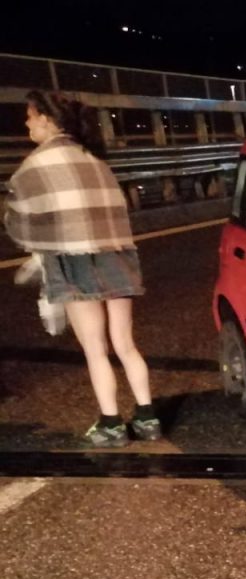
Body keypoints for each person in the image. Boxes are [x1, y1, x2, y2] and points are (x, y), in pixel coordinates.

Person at [4, 90, 159, 447]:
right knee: (125, 343)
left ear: (45, 118)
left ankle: (111, 424)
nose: (26, 123)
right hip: (116, 254)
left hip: (72, 259)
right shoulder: (96, 159)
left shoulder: (37, 164)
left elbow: (19, 219)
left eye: (29, 116)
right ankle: (148, 418)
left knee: (95, 348)